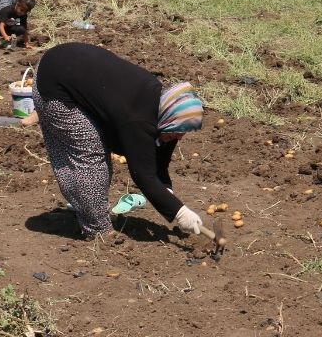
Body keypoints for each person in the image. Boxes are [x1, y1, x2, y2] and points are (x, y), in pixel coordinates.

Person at [32, 42, 206, 239]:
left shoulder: (165, 107)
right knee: (91, 155)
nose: (180, 137)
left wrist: (167, 195)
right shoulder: (138, 120)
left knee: (97, 146)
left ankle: (88, 210)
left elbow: (158, 162)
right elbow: (142, 175)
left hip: (71, 66)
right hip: (54, 82)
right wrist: (180, 212)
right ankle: (98, 230)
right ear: (169, 118)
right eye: (177, 131)